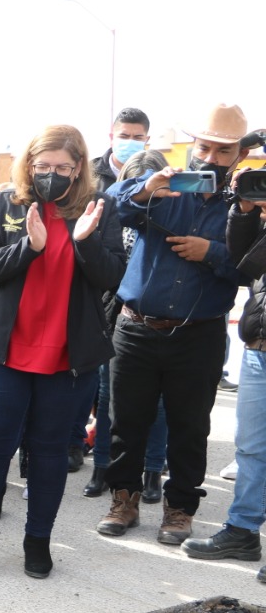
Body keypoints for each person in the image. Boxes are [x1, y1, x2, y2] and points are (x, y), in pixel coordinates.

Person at [0, 125, 125, 581]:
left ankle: (37, 542)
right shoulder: (8, 203)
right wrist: (30, 246)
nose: (51, 175)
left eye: (62, 167)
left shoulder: (100, 209)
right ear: (29, 166)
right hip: (4, 348)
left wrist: (82, 242)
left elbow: (112, 277)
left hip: (67, 355)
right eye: (43, 167)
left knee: (48, 453)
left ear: (79, 167)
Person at [97, 104, 252, 546]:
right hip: (136, 328)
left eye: (223, 151)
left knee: (190, 428)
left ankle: (180, 508)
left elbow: (248, 268)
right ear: (192, 147)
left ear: (238, 155)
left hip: (199, 333)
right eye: (204, 147)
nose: (211, 158)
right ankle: (122, 500)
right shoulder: (163, 186)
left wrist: (212, 253)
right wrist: (146, 190)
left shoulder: (243, 206)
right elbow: (113, 209)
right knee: (125, 422)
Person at [182, 169, 265, 574]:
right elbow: (245, 264)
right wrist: (246, 211)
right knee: (250, 447)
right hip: (259, 346)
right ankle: (242, 531)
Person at [82, 149, 171, 502]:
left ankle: (152, 471)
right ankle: (101, 467)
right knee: (107, 400)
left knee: (160, 404)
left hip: (161, 320)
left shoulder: (174, 216)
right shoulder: (115, 215)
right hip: (116, 317)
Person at [91, 108, 151, 194]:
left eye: (137, 137)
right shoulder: (90, 173)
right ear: (112, 137)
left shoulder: (154, 174)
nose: (130, 142)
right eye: (124, 136)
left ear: (146, 140)